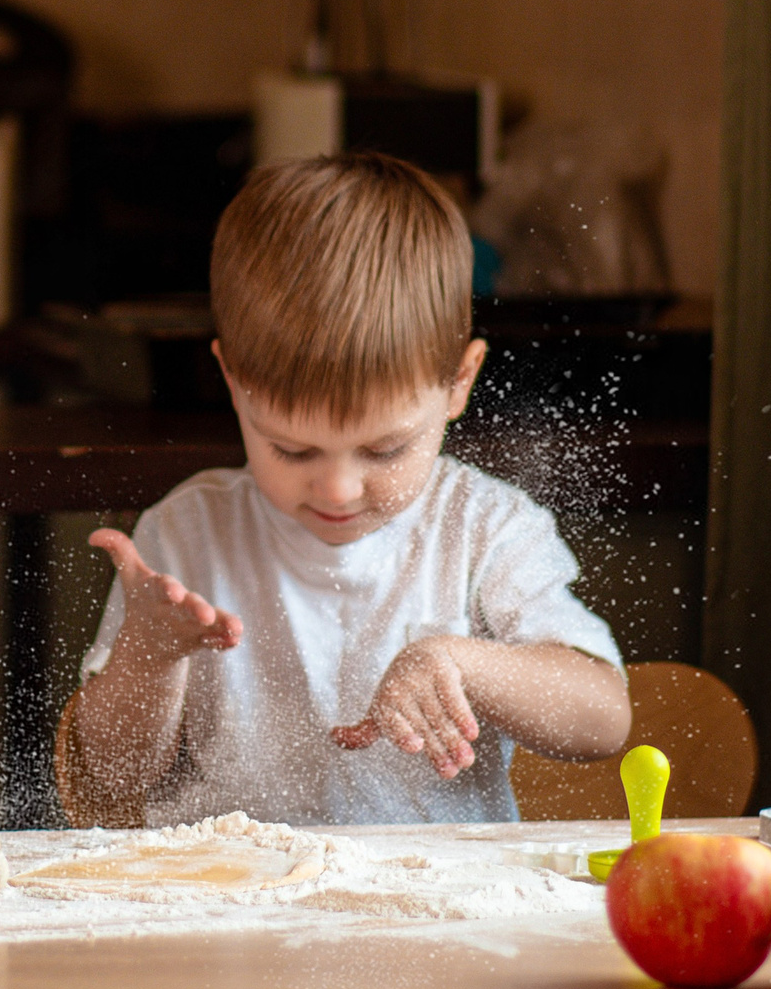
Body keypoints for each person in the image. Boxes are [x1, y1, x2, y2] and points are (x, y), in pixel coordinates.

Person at [56, 154, 632, 827]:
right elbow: (117, 772)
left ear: (459, 382)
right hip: (235, 914)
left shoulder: (485, 530)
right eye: (291, 448)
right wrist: (150, 653)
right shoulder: (186, 534)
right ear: (232, 382)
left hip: (435, 914)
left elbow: (603, 717)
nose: (337, 485)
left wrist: (459, 661)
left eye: (384, 448)